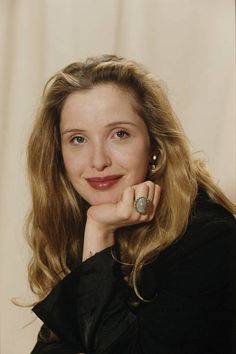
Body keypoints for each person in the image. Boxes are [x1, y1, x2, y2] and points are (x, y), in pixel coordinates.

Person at [27, 54, 236, 354]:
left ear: (155, 144)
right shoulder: (87, 226)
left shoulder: (211, 239)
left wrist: (99, 231)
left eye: (119, 134)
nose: (98, 161)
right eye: (77, 139)